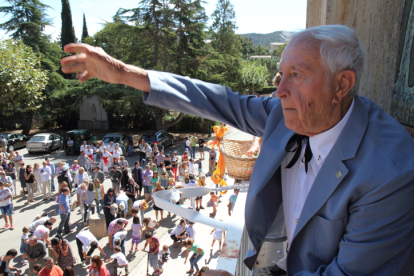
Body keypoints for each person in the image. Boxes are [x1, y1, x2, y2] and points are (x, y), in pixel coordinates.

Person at [61, 25, 414, 275]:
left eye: (297, 75)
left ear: (341, 84)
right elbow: (219, 101)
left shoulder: (391, 174)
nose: (279, 92)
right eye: (281, 75)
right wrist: (123, 73)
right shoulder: (285, 113)